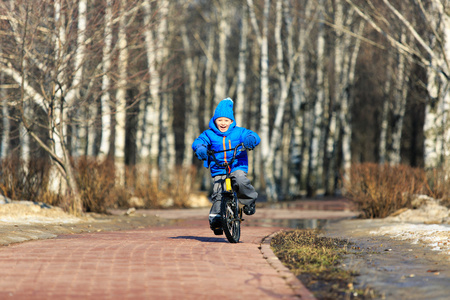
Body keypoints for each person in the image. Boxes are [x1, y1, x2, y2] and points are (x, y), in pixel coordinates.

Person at [192, 97, 260, 235]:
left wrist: (250, 140)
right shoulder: (209, 134)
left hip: (236, 164)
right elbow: (199, 141)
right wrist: (200, 148)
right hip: (219, 167)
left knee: (241, 180)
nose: (223, 123)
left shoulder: (238, 132)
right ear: (214, 120)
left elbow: (253, 135)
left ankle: (248, 201)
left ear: (231, 121)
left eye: (226, 120)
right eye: (220, 120)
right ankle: (216, 220)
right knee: (218, 193)